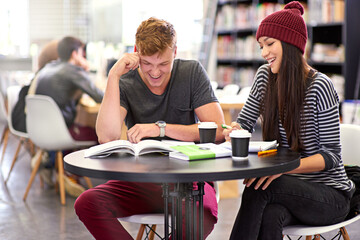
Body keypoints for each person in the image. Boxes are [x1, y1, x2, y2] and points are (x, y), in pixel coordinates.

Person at [74, 17, 225, 239]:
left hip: (189, 179)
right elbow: (107, 136)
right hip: (142, 179)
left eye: (163, 64)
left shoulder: (191, 72)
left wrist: (160, 129)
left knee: (201, 213)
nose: (155, 72)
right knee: (87, 203)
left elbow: (219, 129)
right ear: (136, 53)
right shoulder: (125, 81)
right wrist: (114, 76)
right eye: (147, 63)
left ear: (175, 52)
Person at [222, 2, 355, 240]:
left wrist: (283, 169)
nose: (264, 53)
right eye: (261, 45)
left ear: (292, 44)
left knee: (261, 186)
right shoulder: (264, 77)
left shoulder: (320, 86)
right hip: (288, 190)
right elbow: (244, 123)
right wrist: (234, 130)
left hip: (329, 195)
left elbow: (331, 156)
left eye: (270, 44)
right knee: (271, 214)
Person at [31, 36, 104, 196]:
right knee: (97, 135)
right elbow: (101, 97)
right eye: (82, 53)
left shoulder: (48, 67)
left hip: (40, 132)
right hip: (60, 131)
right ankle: (69, 173)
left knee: (79, 127)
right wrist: (84, 70)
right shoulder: (73, 71)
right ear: (75, 54)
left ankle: (50, 161)